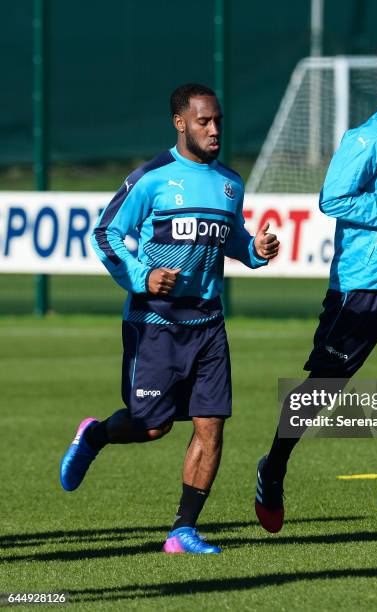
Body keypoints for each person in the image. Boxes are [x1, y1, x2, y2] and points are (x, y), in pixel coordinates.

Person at [60, 83, 279, 554]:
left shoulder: (230, 182)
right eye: (204, 121)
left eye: (218, 120)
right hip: (155, 323)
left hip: (209, 324)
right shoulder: (152, 178)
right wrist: (142, 276)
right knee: (152, 427)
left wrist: (255, 251)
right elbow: (105, 233)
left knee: (211, 425)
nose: (214, 129)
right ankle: (95, 434)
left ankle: (183, 529)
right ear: (181, 123)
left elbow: (232, 239)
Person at [255, 41, 377, 536]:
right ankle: (273, 467)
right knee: (324, 389)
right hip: (362, 286)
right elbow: (334, 200)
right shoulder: (368, 139)